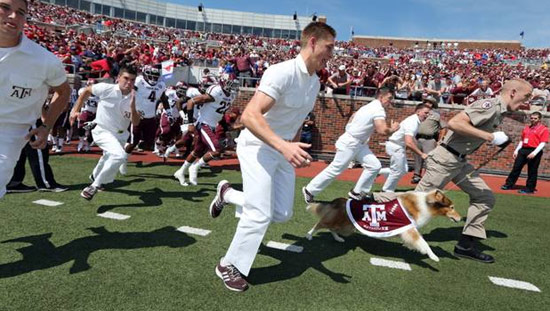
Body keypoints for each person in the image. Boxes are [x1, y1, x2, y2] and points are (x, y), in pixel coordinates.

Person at [207, 22, 336, 292]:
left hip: (281, 150)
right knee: (259, 212)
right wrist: (284, 146)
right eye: (329, 47)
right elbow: (250, 116)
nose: (332, 54)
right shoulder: (282, 72)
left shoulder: (313, 82)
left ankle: (228, 193)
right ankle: (229, 265)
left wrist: (293, 146)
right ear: (313, 42)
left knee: (282, 213)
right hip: (257, 146)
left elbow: (297, 118)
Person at [415, 78, 533, 263]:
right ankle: (369, 209)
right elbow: (455, 123)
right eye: (526, 96)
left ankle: (465, 245)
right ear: (512, 93)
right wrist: (490, 136)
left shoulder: (499, 111)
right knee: (416, 202)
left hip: (459, 162)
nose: (527, 101)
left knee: (485, 198)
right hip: (445, 160)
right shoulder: (489, 105)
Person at [0, 0, 71, 199]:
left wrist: (46, 126)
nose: (13, 16)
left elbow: (63, 91)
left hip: (9, 135)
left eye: (20, 12)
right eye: (5, 7)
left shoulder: (44, 60)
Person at [302, 87, 399, 202]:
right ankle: (309, 190)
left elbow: (352, 118)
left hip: (358, 143)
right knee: (336, 169)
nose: (390, 101)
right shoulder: (378, 109)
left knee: (374, 166)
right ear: (381, 97)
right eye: (389, 98)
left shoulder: (368, 106)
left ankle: (357, 192)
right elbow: (382, 130)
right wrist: (393, 129)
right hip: (351, 142)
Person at [69, 66, 139, 200]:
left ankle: (95, 176)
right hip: (102, 130)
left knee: (108, 157)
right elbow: (87, 90)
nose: (129, 82)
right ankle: (94, 186)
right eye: (126, 78)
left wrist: (133, 106)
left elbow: (135, 122)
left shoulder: (136, 97)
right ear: (118, 78)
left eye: (132, 80)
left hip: (121, 134)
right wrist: (75, 110)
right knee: (119, 156)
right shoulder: (106, 88)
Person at [177, 78, 238, 186]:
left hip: (213, 125)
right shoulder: (216, 92)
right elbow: (190, 102)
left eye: (234, 87)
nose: (233, 89)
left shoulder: (231, 96)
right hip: (204, 124)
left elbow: (220, 112)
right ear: (224, 84)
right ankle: (195, 167)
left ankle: (181, 172)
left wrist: (225, 125)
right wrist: (190, 123)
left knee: (197, 151)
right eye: (231, 86)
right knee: (217, 149)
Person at [377, 103, 432, 192]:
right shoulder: (413, 122)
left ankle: (378, 172)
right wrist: (421, 154)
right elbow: (409, 142)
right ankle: (386, 191)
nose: (427, 115)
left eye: (428, 113)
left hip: (397, 146)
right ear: (418, 112)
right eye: (426, 113)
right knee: (397, 171)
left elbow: (408, 141)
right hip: (395, 146)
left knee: (403, 170)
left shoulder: (415, 121)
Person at [501, 111, 548, 194]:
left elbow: (543, 142)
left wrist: (534, 153)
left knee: (532, 170)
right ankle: (509, 184)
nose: (533, 120)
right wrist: (516, 150)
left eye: (535, 118)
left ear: (539, 119)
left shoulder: (544, 129)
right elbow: (522, 140)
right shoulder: (527, 128)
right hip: (523, 150)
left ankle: (530, 188)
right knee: (516, 167)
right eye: (532, 118)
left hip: (534, 150)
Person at [411, 96, 447, 183]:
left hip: (429, 140)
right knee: (417, 158)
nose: (428, 104)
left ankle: (427, 177)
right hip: (417, 138)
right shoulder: (418, 112)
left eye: (430, 102)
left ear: (433, 105)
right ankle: (416, 175)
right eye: (426, 102)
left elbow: (443, 127)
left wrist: (440, 140)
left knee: (429, 159)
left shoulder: (436, 115)